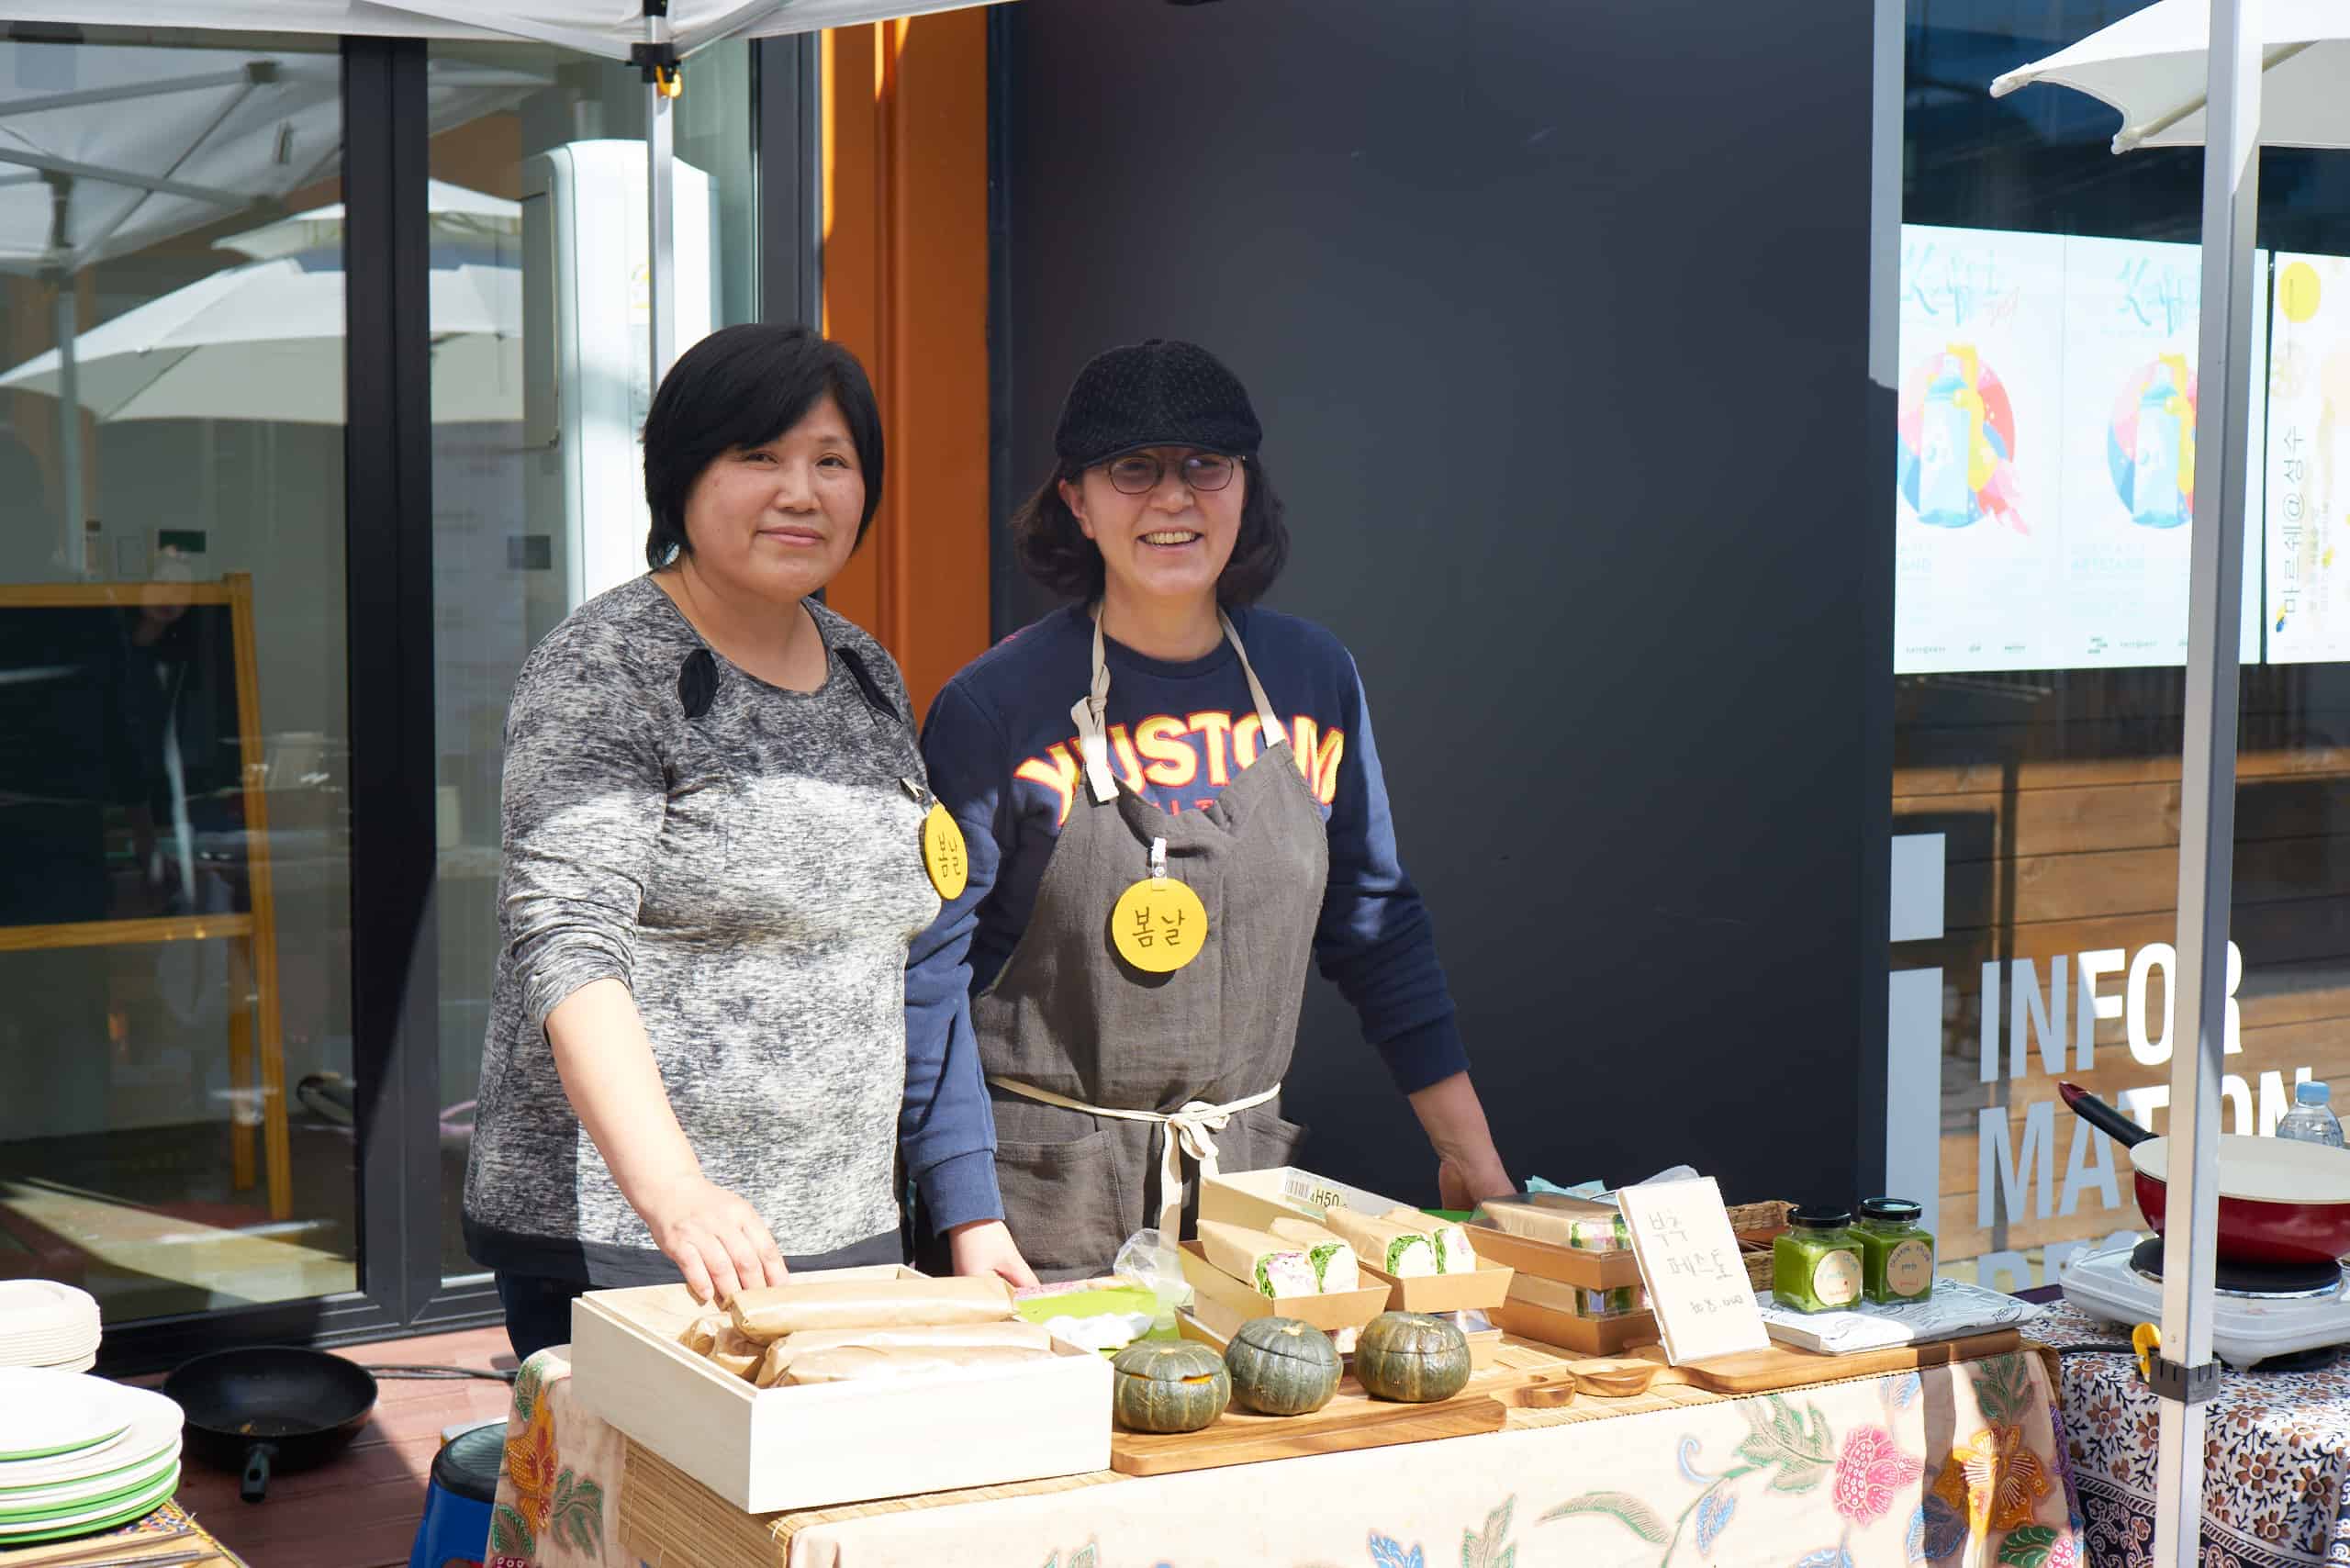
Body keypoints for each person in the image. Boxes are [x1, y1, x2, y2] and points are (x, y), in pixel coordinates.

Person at [464, 324, 1031, 1361]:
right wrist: (673, 1188)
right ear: (680, 475)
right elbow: (567, 942)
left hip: (843, 1221)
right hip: (638, 1238)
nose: (800, 492)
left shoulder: (866, 673)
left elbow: (905, 951)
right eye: (758, 457)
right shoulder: (607, 664)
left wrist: (962, 1207)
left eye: (832, 461)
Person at [907, 338, 1512, 1280]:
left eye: (1205, 466)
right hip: (1034, 1219)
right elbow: (931, 974)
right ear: (1076, 498)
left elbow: (1376, 927)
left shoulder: (1315, 680)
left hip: (1248, 1215)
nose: (1174, 498)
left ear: (1244, 484)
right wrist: (965, 1213)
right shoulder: (995, 707)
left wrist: (1473, 1157)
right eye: (1132, 470)